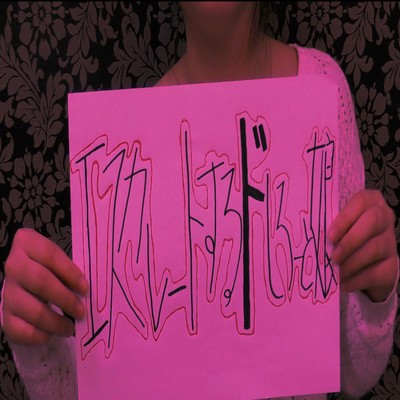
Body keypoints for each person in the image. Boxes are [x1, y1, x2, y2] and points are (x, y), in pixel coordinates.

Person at [1, 2, 399, 399]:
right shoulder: (134, 142)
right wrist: (37, 340)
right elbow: (91, 387)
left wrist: (376, 296)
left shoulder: (322, 87)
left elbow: (351, 373)